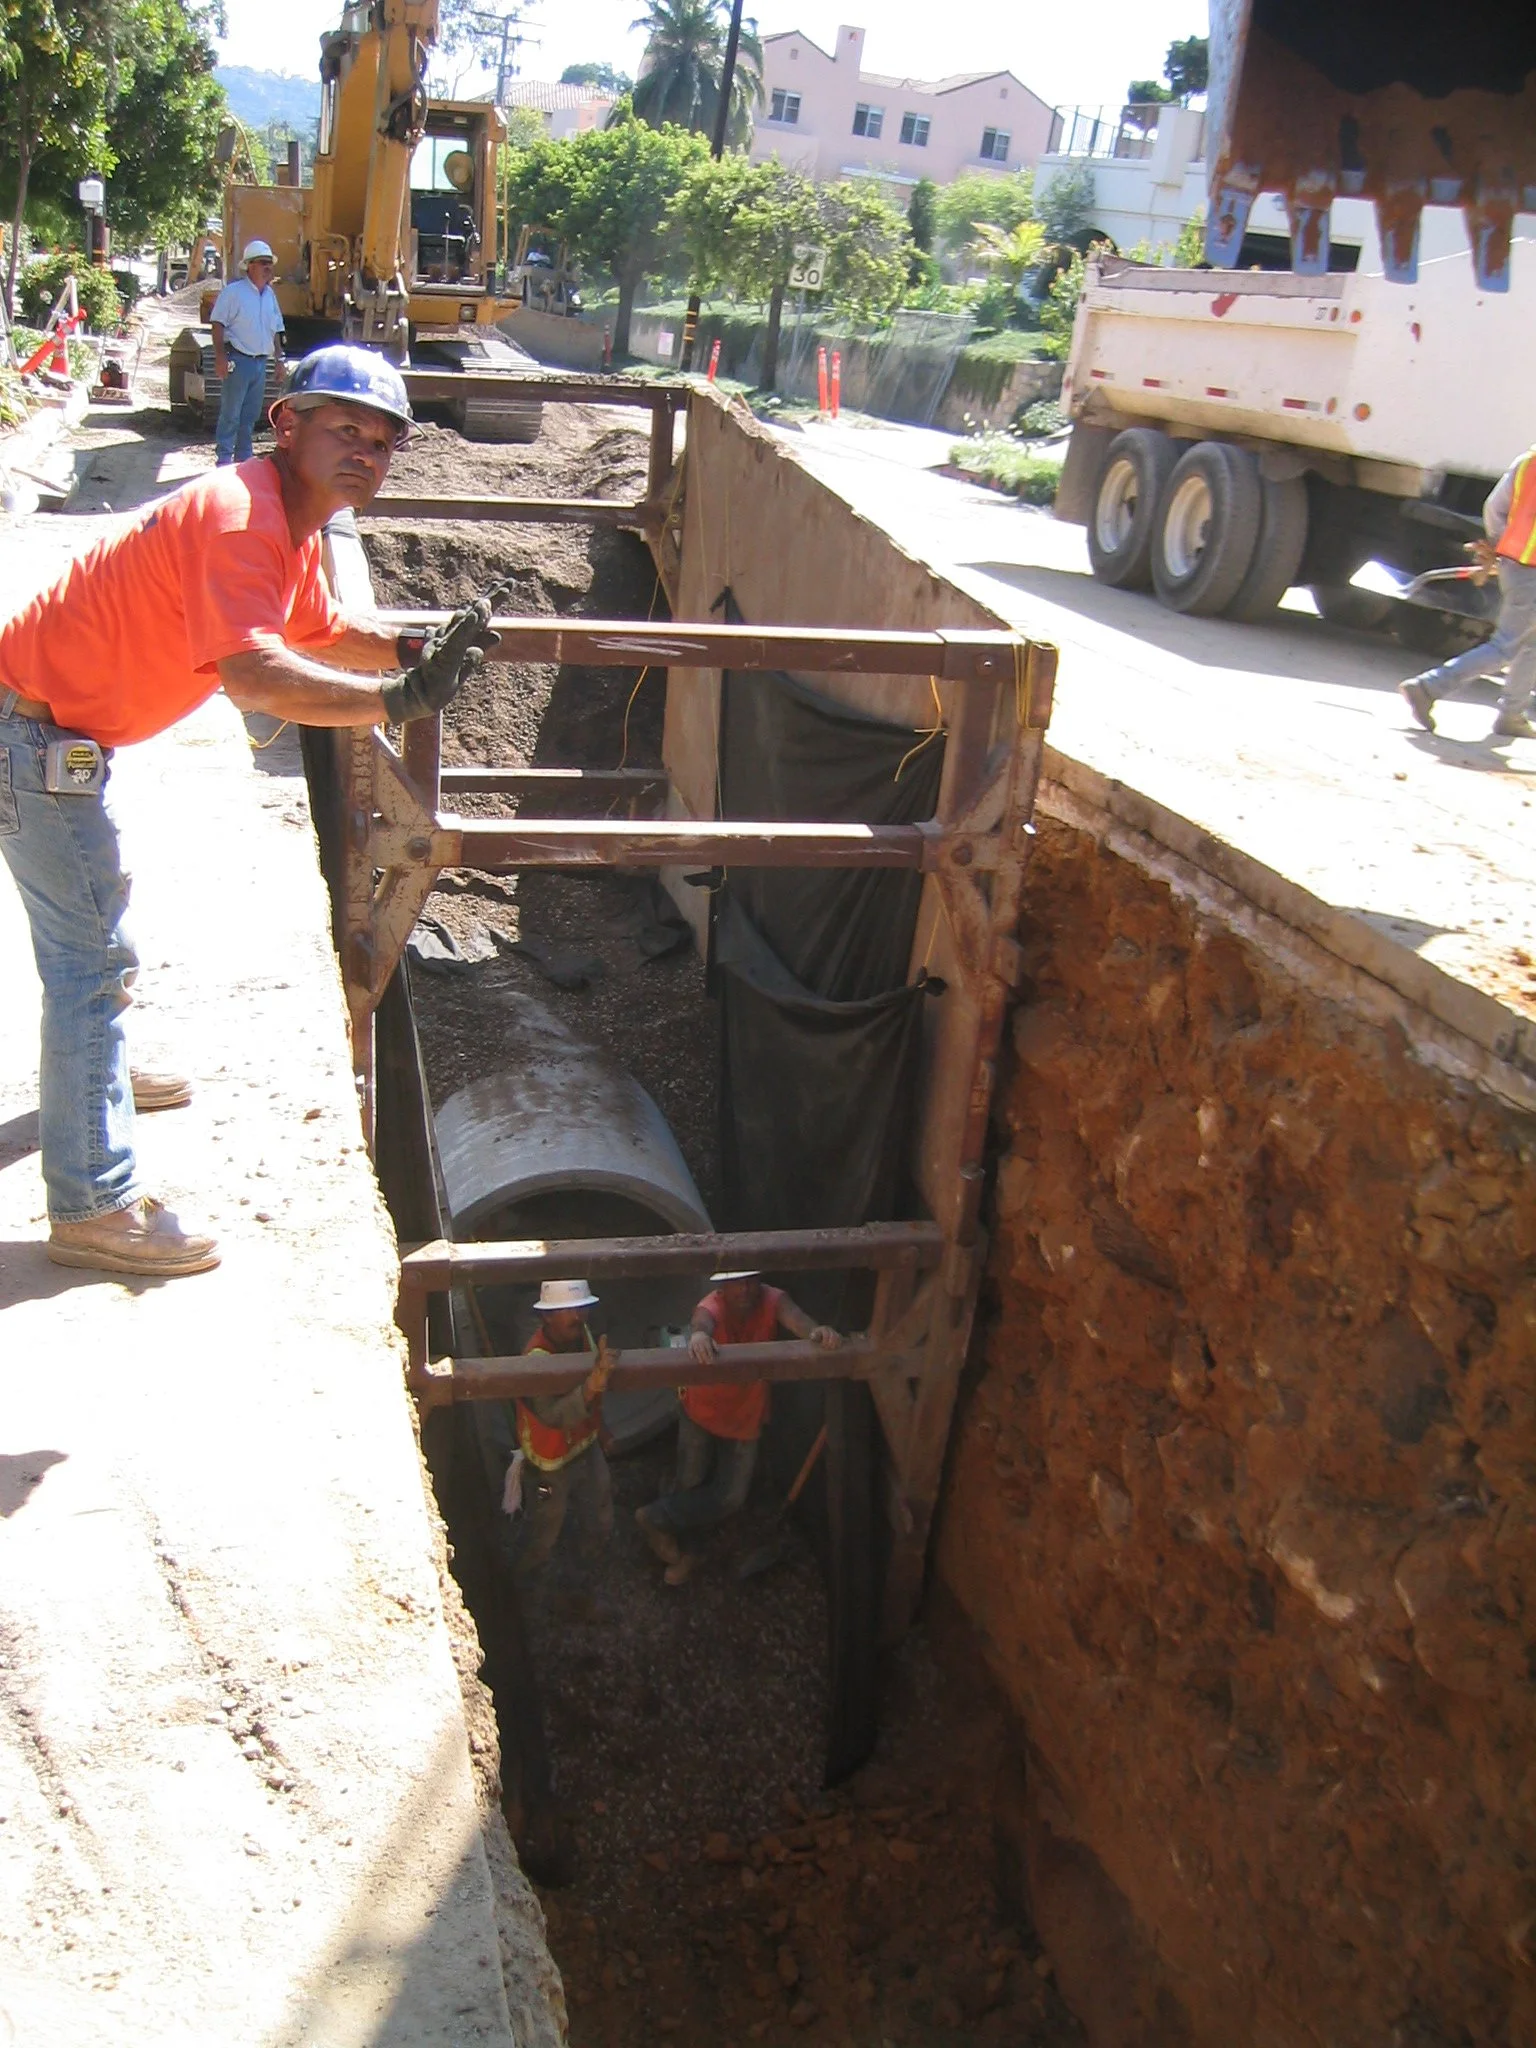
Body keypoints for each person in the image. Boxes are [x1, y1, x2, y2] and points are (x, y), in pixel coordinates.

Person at [0, 344, 497, 1278]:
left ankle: (91, 1079)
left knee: (95, 938)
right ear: (287, 424)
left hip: (52, 732)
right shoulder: (241, 515)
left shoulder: (289, 525)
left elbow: (315, 632)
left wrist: (415, 645)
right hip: (26, 734)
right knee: (89, 960)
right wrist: (399, 701)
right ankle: (92, 1207)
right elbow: (254, 672)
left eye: (383, 443)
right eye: (346, 428)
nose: (366, 452)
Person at [636, 1270, 841, 1585]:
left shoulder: (772, 1299)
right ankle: (687, 1550)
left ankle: (657, 1516)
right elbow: (702, 1321)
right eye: (736, 1282)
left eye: (751, 1281)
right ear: (722, 1287)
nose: (745, 1289)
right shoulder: (711, 1306)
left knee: (730, 1496)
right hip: (701, 1410)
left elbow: (796, 1318)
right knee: (690, 1482)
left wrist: (817, 1332)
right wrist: (700, 1336)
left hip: (745, 1416)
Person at [1400, 447, 1536, 741]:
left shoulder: (1527, 461)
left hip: (1516, 567)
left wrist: (1502, 547)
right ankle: (1428, 687)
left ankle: (1512, 715)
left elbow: (1494, 508)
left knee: (1530, 644)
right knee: (1506, 647)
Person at [507, 1278, 617, 1580]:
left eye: (582, 1309)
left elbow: (594, 1398)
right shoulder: (535, 1359)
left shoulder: (585, 1337)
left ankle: (586, 1572)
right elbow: (551, 1415)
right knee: (546, 1523)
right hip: (549, 1460)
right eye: (568, 1311)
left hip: (584, 1443)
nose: (578, 1317)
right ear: (546, 1317)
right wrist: (590, 1388)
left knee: (599, 1506)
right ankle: (528, 1580)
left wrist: (602, 1427)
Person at [209, 240, 287, 468]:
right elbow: (217, 323)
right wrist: (220, 357)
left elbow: (278, 329)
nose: (268, 267)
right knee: (231, 413)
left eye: (270, 263)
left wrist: (279, 360)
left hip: (260, 363)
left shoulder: (270, 295)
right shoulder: (234, 293)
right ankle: (223, 459)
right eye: (263, 263)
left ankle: (243, 459)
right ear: (250, 266)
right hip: (238, 359)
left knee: (250, 415)